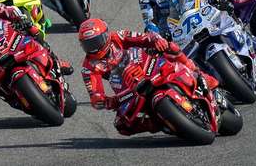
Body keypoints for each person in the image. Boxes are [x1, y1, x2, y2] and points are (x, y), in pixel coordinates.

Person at [78, 18, 212, 135]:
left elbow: (144, 37)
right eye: (88, 45)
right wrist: (103, 101)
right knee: (122, 125)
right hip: (129, 89)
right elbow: (95, 94)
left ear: (106, 36)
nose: (93, 48)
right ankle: (159, 123)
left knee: (170, 47)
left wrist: (156, 40)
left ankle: (196, 72)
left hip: (147, 65)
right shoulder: (88, 67)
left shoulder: (117, 36)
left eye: (96, 41)